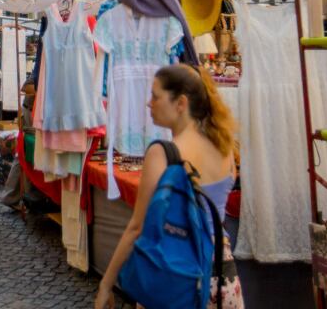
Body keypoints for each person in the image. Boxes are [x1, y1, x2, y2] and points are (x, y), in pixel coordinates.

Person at [96, 64, 243, 309]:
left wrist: (105, 285)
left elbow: (137, 227)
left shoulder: (163, 153)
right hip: (221, 270)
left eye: (155, 96)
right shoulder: (225, 147)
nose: (148, 103)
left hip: (176, 269)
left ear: (181, 103)